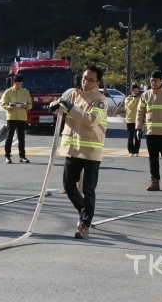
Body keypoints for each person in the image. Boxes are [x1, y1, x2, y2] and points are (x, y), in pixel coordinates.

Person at [48, 66, 108, 239]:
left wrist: (70, 107)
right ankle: (84, 213)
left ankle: (84, 224)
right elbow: (62, 105)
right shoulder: (73, 94)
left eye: (90, 79)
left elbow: (91, 120)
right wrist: (54, 106)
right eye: (84, 78)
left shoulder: (100, 100)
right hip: (72, 148)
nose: (85, 82)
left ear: (98, 82)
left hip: (90, 150)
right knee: (68, 185)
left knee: (88, 189)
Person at [0, 74, 33, 163]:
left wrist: (26, 106)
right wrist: (9, 107)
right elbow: (3, 103)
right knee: (9, 137)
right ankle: (7, 156)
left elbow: (30, 105)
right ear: (13, 83)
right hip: (11, 117)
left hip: (22, 117)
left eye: (20, 84)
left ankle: (22, 156)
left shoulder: (25, 92)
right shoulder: (8, 92)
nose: (19, 86)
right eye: (17, 84)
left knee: (21, 138)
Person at [124, 84, 141, 157]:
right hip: (130, 120)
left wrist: (138, 98)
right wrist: (134, 98)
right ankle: (130, 151)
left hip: (138, 120)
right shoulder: (128, 99)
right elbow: (130, 106)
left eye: (137, 91)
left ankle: (136, 151)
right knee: (130, 136)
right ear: (131, 91)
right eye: (134, 91)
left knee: (138, 137)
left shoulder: (140, 98)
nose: (136, 92)